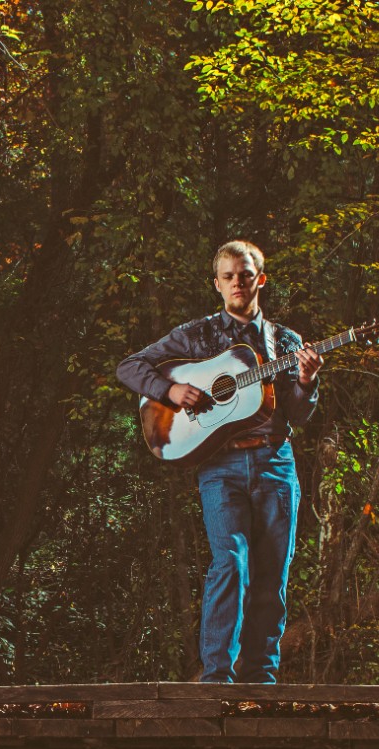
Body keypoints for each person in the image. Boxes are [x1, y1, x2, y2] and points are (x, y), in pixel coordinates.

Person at [116, 240, 323, 683]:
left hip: (274, 464)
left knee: (272, 576)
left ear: (260, 279)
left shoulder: (285, 342)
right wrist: (170, 392)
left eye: (245, 275)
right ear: (217, 283)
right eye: (228, 276)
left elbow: (299, 415)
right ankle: (216, 682)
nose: (237, 283)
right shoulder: (199, 335)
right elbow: (129, 367)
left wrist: (305, 380)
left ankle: (261, 684)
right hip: (221, 467)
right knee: (231, 562)